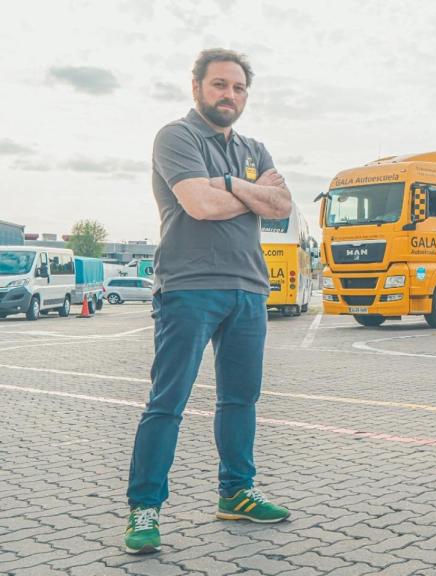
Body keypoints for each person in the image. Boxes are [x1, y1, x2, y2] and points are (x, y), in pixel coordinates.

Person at [124, 48, 293, 555]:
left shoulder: (254, 147)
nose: (230, 95)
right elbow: (198, 204)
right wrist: (248, 192)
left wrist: (227, 184)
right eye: (220, 85)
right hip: (189, 286)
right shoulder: (176, 136)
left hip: (248, 288)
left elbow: (282, 206)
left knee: (241, 400)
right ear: (196, 87)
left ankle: (236, 492)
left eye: (239, 88)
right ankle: (145, 508)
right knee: (167, 402)